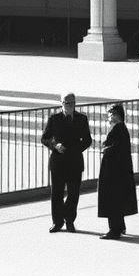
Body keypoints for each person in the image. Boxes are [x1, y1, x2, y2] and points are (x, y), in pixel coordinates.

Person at [40, 92, 92, 232]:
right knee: (57, 193)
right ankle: (57, 222)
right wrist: (54, 146)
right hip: (58, 161)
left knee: (73, 193)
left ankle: (69, 220)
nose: (68, 106)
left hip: (74, 161)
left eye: (71, 103)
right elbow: (44, 138)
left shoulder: (81, 119)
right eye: (65, 103)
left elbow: (88, 140)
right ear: (61, 103)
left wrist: (77, 149)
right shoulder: (54, 118)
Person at [97, 104, 137, 240]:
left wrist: (107, 149)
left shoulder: (118, 128)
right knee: (117, 200)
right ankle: (119, 226)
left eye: (111, 114)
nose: (109, 116)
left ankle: (114, 229)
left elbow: (116, 147)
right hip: (118, 170)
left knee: (112, 199)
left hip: (114, 172)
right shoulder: (119, 128)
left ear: (116, 115)